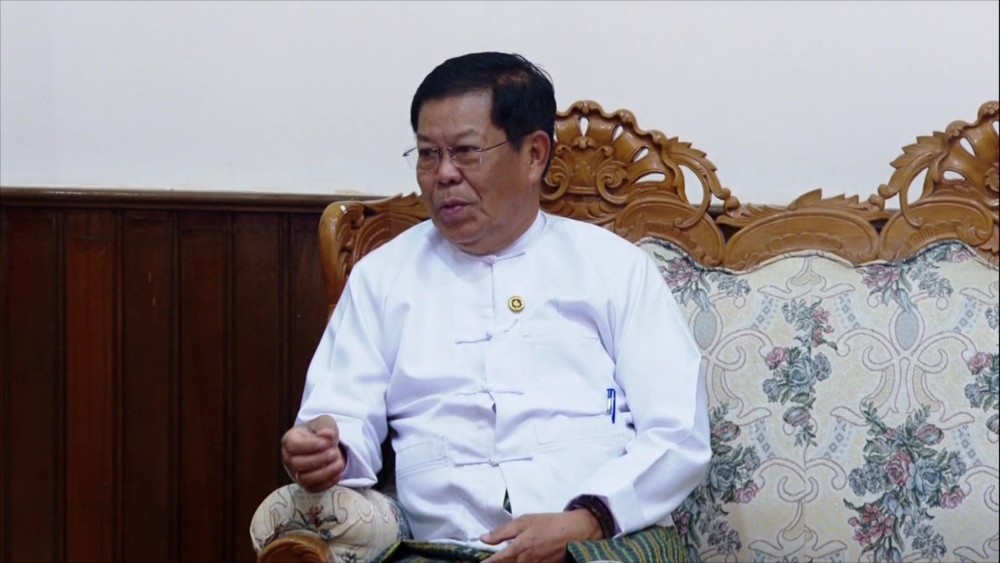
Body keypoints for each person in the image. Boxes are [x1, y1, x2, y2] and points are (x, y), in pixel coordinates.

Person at [280, 51, 710, 563]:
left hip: (603, 544)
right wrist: (325, 451)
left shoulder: (614, 268)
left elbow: (677, 432)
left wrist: (586, 521)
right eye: (427, 154)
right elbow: (339, 415)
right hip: (446, 551)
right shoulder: (383, 277)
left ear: (534, 155)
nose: (444, 174)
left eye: (466, 152)